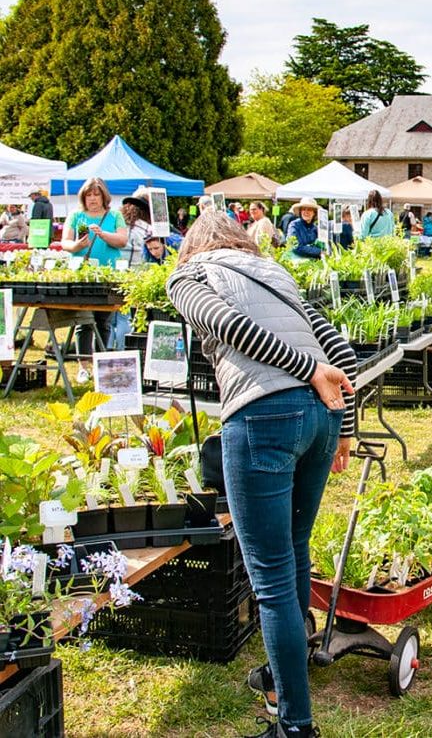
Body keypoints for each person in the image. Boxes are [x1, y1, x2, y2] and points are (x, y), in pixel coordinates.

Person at [166, 210, 355, 738]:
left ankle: (295, 726)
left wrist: (307, 370)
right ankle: (279, 675)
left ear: (191, 246)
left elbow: (231, 328)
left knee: (270, 578)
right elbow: (339, 348)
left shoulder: (187, 277)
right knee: (294, 550)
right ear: (240, 239)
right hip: (322, 417)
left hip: (262, 414)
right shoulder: (276, 272)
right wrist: (345, 427)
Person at [61, 177, 129, 381]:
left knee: (103, 321)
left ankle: (101, 364)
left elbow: (122, 240)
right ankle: (83, 366)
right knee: (83, 321)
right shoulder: (76, 215)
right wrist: (77, 246)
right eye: (88, 195)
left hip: (108, 275)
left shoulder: (115, 215)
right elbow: (65, 242)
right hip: (83, 275)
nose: (92, 199)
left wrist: (103, 234)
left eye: (96, 195)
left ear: (103, 196)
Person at [110, 190, 153, 350]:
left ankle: (106, 350)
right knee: (125, 316)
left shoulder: (116, 225)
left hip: (112, 274)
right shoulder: (147, 229)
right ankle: (122, 351)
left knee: (109, 318)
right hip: (134, 277)